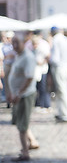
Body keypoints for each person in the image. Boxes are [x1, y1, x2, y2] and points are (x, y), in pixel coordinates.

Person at [8, 33, 39, 161]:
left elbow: (29, 78)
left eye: (17, 43)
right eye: (13, 43)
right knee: (21, 121)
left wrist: (18, 93)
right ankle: (32, 141)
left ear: (23, 43)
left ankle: (25, 152)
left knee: (22, 125)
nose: (14, 46)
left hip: (24, 95)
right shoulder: (19, 55)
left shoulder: (28, 57)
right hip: (18, 94)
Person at [50, 26, 67, 123]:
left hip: (59, 68)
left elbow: (54, 58)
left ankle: (66, 114)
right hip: (66, 67)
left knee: (62, 92)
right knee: (62, 92)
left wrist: (50, 61)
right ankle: (61, 112)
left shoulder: (56, 40)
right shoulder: (66, 39)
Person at [31, 34, 52, 112]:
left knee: (43, 88)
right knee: (38, 88)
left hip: (42, 70)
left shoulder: (42, 47)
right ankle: (39, 104)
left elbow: (48, 56)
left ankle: (44, 105)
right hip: (36, 71)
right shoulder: (33, 49)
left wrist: (43, 62)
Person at [2, 31, 16, 108]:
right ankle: (8, 100)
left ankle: (14, 99)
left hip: (14, 65)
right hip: (7, 65)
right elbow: (3, 57)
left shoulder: (15, 45)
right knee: (7, 83)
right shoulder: (4, 46)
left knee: (13, 83)